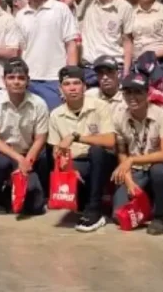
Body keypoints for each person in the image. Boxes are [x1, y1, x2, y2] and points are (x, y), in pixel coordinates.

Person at [46, 65, 117, 232]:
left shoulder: (100, 106)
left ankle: (95, 210)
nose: (72, 88)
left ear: (84, 86)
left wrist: (76, 137)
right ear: (60, 89)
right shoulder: (56, 114)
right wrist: (67, 167)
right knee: (68, 171)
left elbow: (110, 141)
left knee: (97, 150)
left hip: (103, 160)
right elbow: (56, 149)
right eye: (67, 84)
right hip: (76, 161)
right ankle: (85, 203)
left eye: (77, 83)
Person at [0, 58, 49, 216]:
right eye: (11, 78)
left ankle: (11, 189)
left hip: (27, 154)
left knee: (36, 206)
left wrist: (27, 161)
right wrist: (18, 159)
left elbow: (40, 139)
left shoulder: (39, 104)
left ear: (28, 81)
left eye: (21, 78)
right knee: (0, 164)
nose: (16, 82)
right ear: (4, 80)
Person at [111, 74, 163, 236]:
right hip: (136, 171)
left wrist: (132, 159)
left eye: (138, 92)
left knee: (160, 171)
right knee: (119, 216)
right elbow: (121, 152)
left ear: (148, 94)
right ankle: (150, 201)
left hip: (158, 168)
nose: (132, 97)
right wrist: (128, 182)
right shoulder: (119, 116)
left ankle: (162, 216)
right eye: (128, 92)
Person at [14, 0, 79, 110]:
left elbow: (71, 45)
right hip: (29, 80)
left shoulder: (61, 9)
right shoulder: (20, 16)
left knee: (55, 125)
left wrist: (70, 79)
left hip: (55, 79)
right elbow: (19, 51)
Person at [72, 0, 133, 82]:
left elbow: (128, 41)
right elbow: (65, 4)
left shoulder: (124, 7)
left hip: (114, 68)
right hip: (89, 68)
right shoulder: (87, 0)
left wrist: (126, 72)